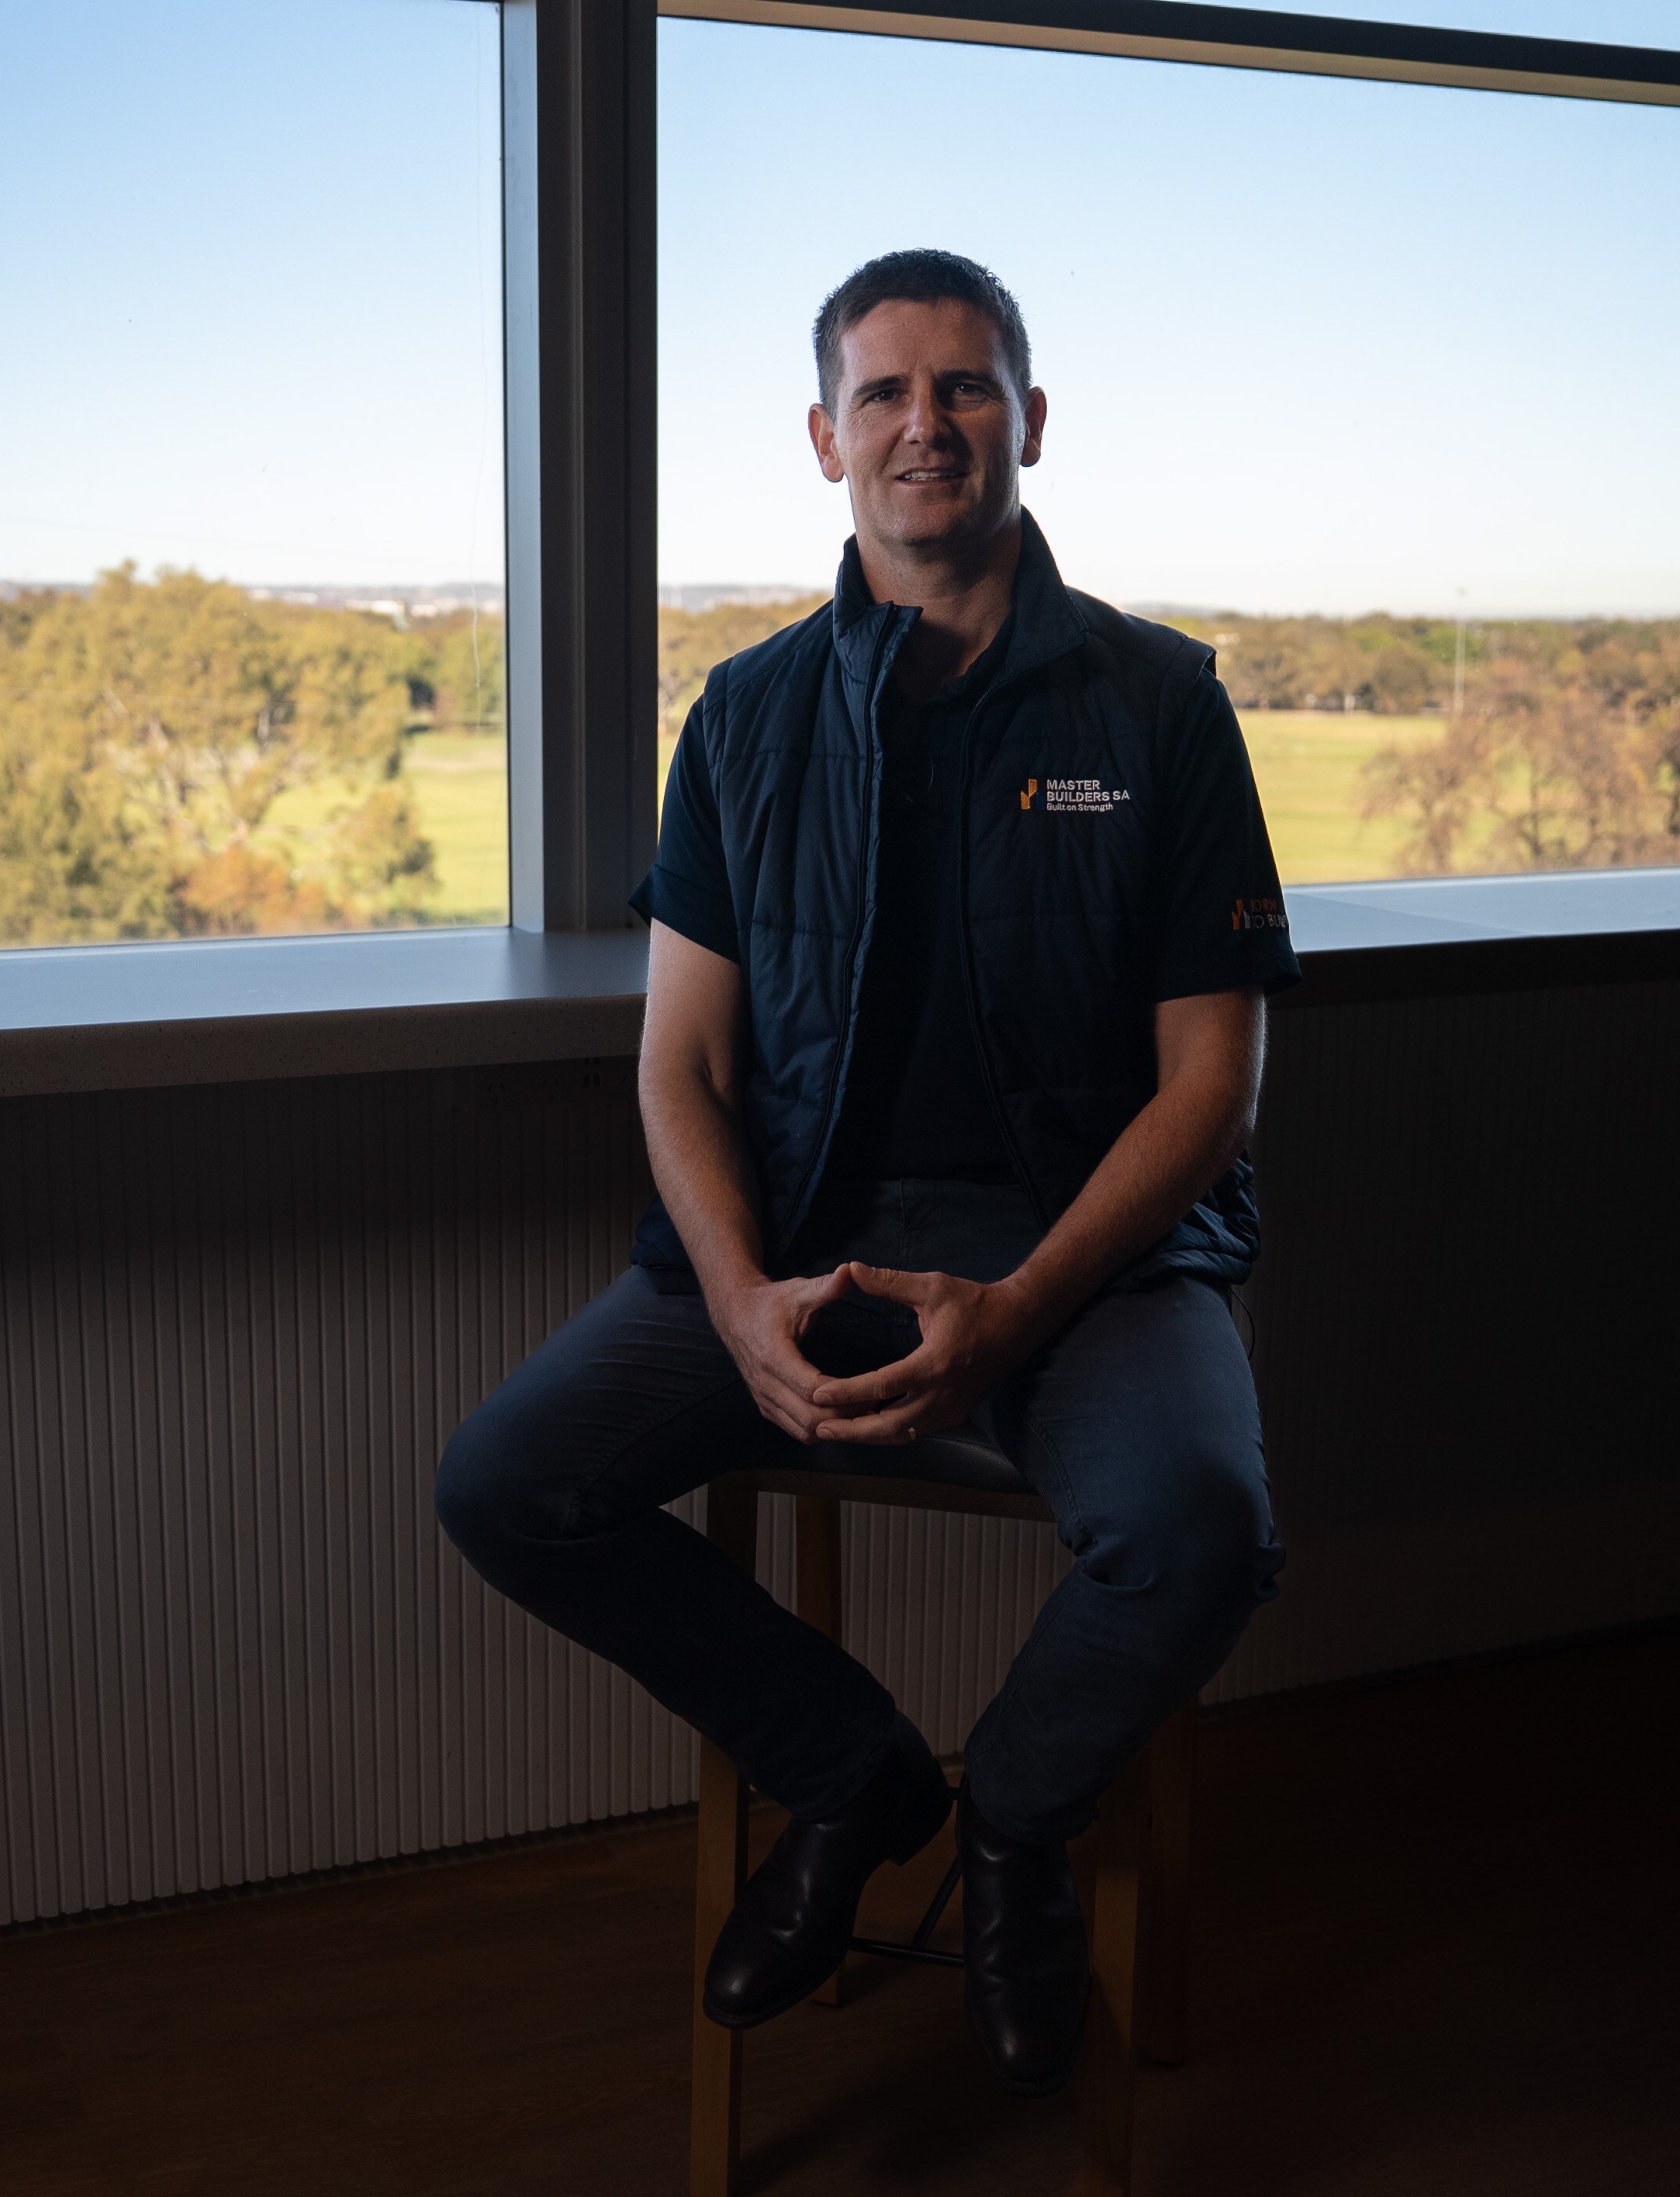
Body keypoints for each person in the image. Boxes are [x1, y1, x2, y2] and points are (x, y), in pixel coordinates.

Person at [436, 249, 1295, 2099]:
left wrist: (1015, 1313)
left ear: (1029, 425)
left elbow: (1209, 1083)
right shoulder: (742, 720)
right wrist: (734, 1293)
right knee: (506, 1485)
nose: (928, 425)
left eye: (966, 387)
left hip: (1083, 1268)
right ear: (824, 438)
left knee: (1199, 1533)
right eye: (887, 394)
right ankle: (850, 1779)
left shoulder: (1156, 708)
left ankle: (1012, 1829)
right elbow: (678, 1058)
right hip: (801, 1244)